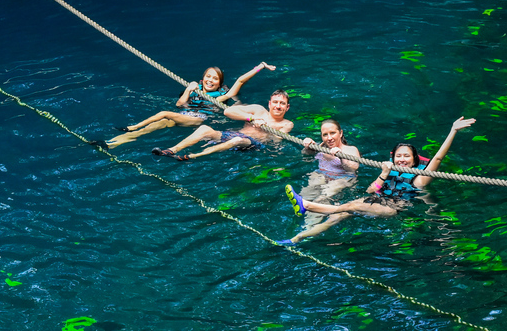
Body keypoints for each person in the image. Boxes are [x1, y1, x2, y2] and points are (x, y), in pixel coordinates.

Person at [280, 117, 476, 244]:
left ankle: (307, 205)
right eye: (398, 156)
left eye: (406, 156)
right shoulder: (389, 172)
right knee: (337, 217)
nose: (402, 160)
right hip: (375, 200)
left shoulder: (420, 178)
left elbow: (438, 158)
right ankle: (297, 238)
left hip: (394, 207)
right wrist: (383, 173)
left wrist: (453, 131)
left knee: (350, 205)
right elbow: (369, 192)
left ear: (414, 160)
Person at [103, 62, 276, 149]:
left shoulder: (221, 97)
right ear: (203, 79)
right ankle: (112, 143)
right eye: (208, 77)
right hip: (183, 114)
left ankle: (131, 127)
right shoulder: (195, 89)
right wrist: (188, 89)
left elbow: (240, 80)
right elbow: (180, 104)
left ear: (219, 84)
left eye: (215, 79)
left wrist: (260, 66)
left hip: (196, 119)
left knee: (165, 113)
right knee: (153, 127)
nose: (211, 80)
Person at [151, 89, 294, 161]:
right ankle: (171, 150)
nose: (278, 106)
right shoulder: (258, 110)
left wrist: (266, 129)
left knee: (238, 140)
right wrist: (251, 118)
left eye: (282, 104)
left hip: (254, 145)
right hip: (234, 135)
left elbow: (276, 141)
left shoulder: (287, 123)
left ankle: (193, 156)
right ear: (269, 103)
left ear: (287, 108)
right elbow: (228, 111)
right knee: (204, 128)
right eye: (275, 102)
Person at [298, 119, 361, 202]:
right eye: (325, 135)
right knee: (305, 195)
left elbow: (353, 168)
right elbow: (305, 156)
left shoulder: (350, 150)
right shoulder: (320, 148)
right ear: (321, 137)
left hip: (342, 179)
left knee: (322, 198)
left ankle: (316, 208)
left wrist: (341, 157)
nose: (329, 138)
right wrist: (307, 147)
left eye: (332, 133)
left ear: (340, 133)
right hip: (322, 175)